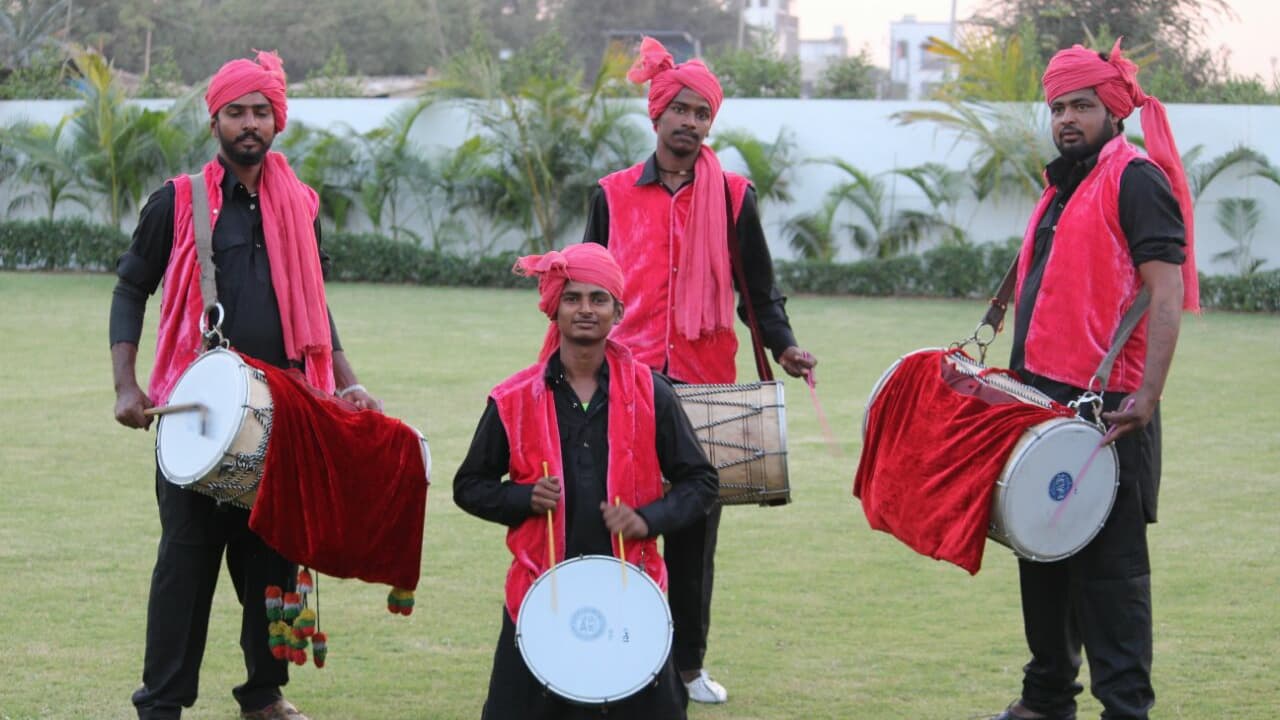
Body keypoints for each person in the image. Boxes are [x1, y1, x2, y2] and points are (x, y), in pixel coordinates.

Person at [110, 51, 379, 720]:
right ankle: (162, 703)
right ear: (217, 121)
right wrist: (126, 385)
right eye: (237, 113)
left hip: (287, 412)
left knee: (273, 564)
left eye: (261, 112)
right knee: (186, 565)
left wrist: (347, 382)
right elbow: (130, 287)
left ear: (276, 120)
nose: (250, 124)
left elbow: (314, 307)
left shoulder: (298, 204)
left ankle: (263, 693)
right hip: (198, 410)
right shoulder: (178, 201)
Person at [582, 36, 816, 704]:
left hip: (706, 387)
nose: (689, 122)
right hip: (621, 382)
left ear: (710, 122)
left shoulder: (736, 197)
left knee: (693, 530)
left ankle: (686, 666)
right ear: (656, 117)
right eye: (678, 109)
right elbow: (586, 290)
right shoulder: (611, 194)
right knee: (612, 518)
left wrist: (787, 345)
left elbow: (759, 292)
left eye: (700, 113)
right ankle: (611, 650)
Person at [993, 40, 1199, 720]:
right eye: (1057, 107)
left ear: (1112, 108)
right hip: (1042, 407)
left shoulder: (1135, 178)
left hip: (1110, 413)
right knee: (1041, 558)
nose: (1067, 119)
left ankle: (1125, 709)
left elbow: (1164, 293)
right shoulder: (1065, 182)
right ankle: (1046, 699)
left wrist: (1147, 396)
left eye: (1081, 105)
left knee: (1111, 580)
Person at [453, 243, 719, 719]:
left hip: (632, 591)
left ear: (619, 310)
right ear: (554, 307)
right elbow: (469, 485)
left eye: (599, 299)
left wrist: (647, 518)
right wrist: (521, 498)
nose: (585, 310)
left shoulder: (652, 393)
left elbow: (700, 482)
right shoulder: (513, 398)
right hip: (540, 592)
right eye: (573, 298)